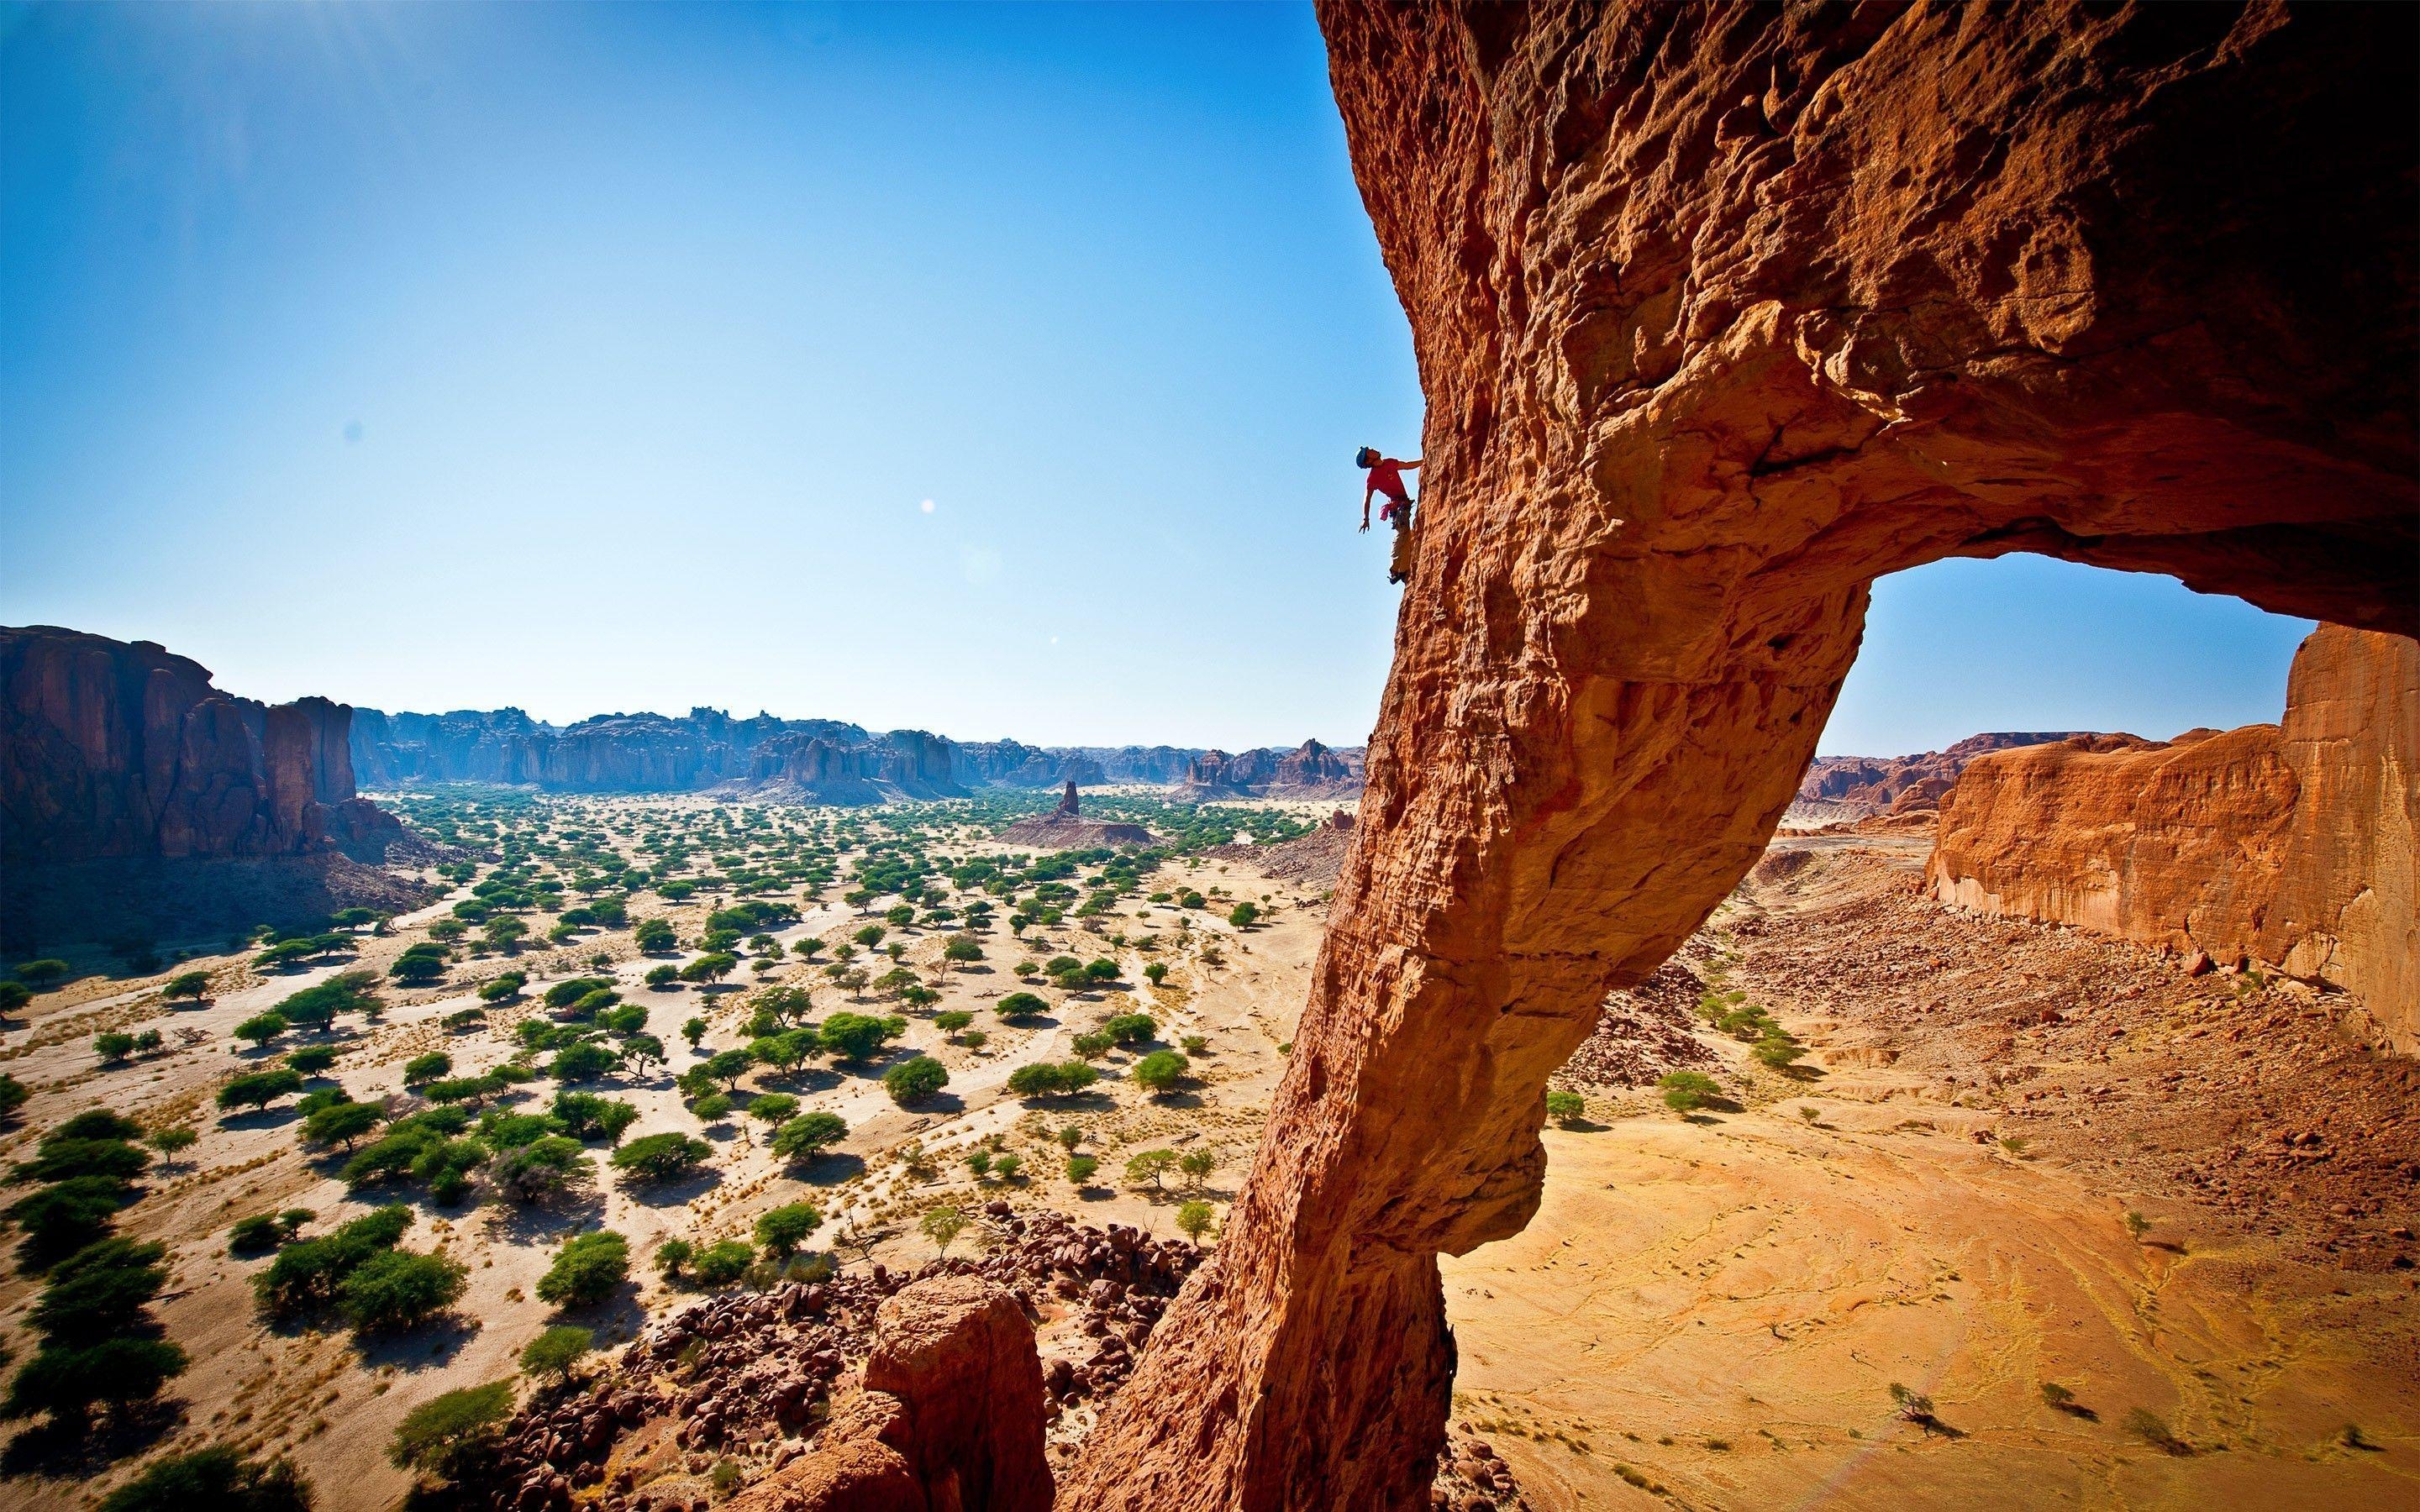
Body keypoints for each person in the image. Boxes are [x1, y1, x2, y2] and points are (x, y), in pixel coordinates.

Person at [1356, 446, 1423, 585]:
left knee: (1407, 535)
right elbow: (1367, 499)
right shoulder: (1372, 478)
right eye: (1369, 451)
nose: (1373, 449)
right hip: (1397, 506)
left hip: (1403, 504)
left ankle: (1403, 569)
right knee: (1402, 533)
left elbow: (1407, 465)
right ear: (1368, 460)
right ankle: (1395, 569)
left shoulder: (1389, 462)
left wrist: (1424, 461)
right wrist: (1365, 519)